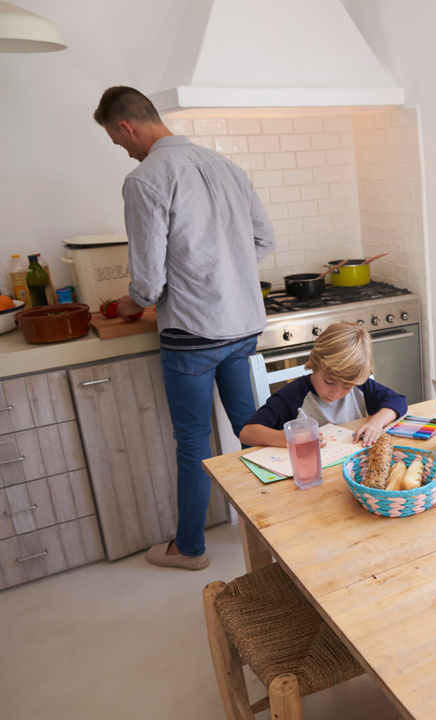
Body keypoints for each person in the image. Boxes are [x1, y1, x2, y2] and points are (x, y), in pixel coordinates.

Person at [94, 86, 277, 571]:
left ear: (126, 126)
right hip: (242, 327)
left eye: (118, 141)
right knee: (250, 428)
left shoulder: (145, 178)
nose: (124, 151)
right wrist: (225, 274)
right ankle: (279, 528)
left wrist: (127, 305)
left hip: (192, 336)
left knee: (194, 442)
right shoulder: (227, 166)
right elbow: (264, 239)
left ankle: (190, 550)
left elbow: (148, 283)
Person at [240, 323, 407, 448]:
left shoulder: (360, 387)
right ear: (314, 363)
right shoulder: (294, 394)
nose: (336, 393)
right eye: (329, 382)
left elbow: (398, 401)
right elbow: (247, 433)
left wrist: (376, 422)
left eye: (346, 387)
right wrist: (288, 438)